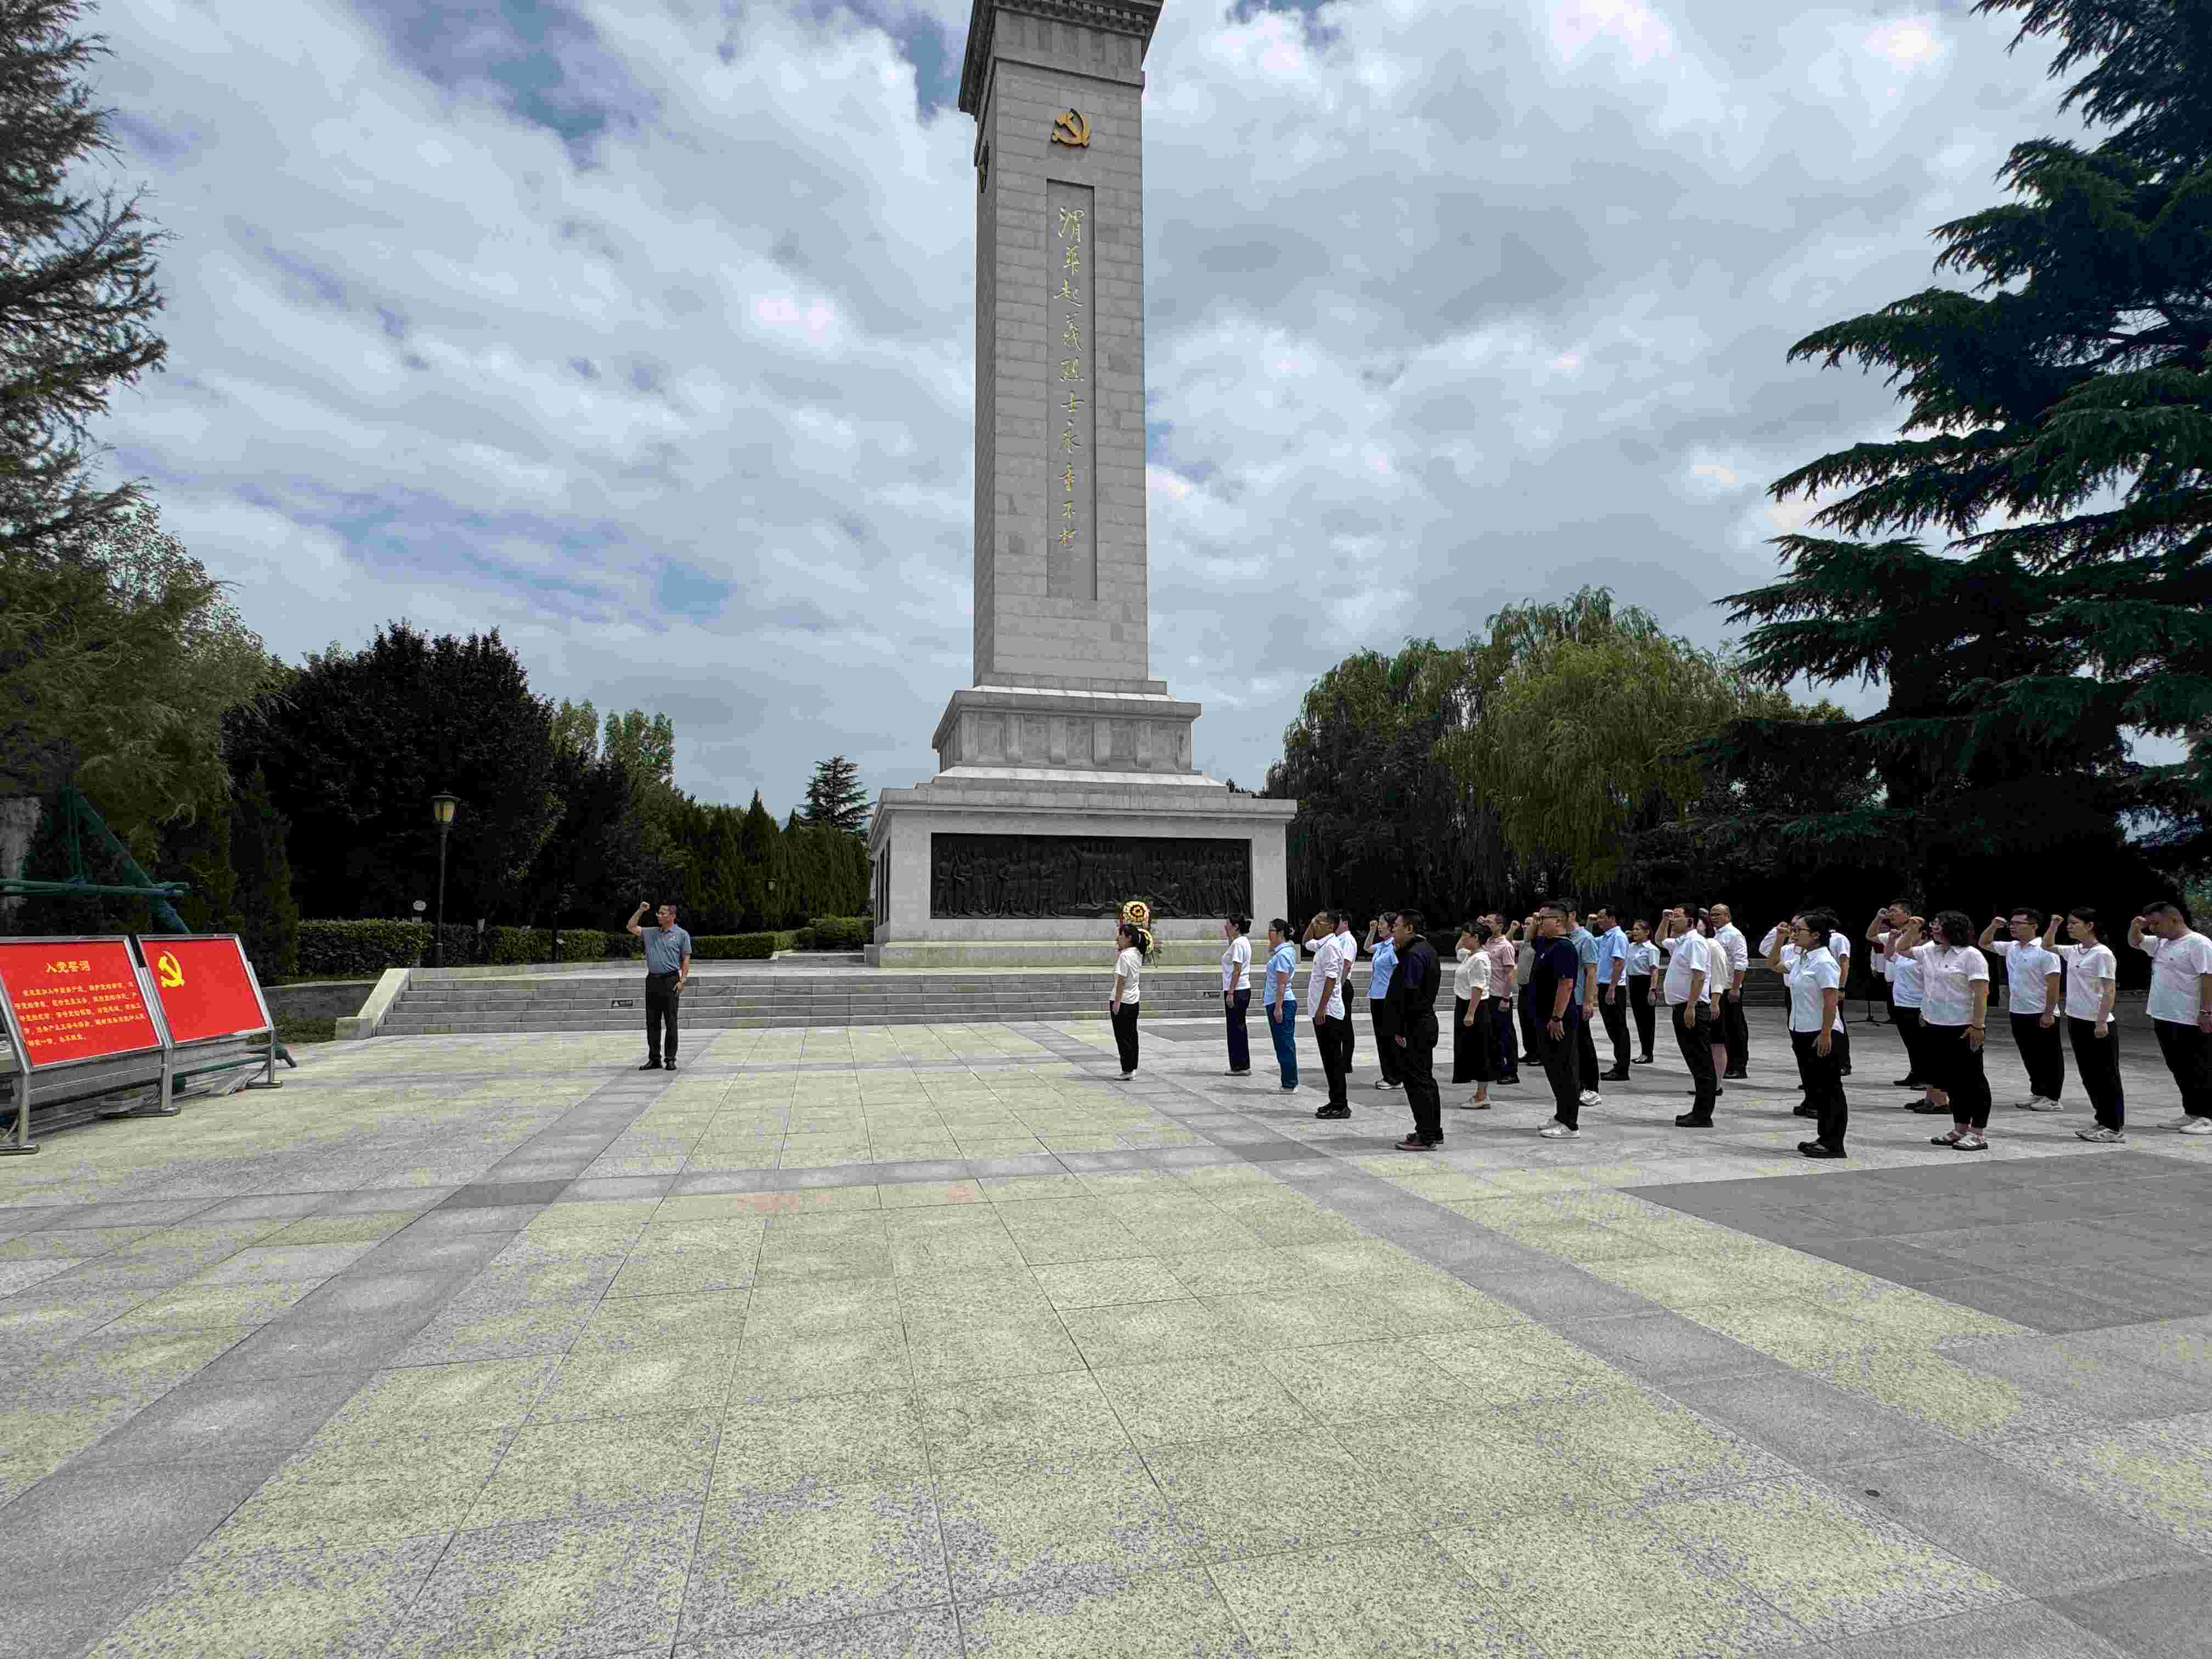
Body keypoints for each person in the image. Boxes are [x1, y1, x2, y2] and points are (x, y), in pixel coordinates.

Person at [1896, 912, 1994, 1150]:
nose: (1934, 929)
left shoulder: (1971, 956)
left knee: (1973, 1080)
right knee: (1951, 1081)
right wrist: (1912, 928)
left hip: (1963, 1027)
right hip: (1935, 1024)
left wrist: (1978, 1025)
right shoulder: (1930, 950)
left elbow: (1981, 993)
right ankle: (1960, 1128)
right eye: (1933, 925)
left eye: (1939, 925)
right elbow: (1902, 949)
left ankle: (1978, 1132)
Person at [2129, 901, 2212, 1133]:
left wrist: (2207, 1012)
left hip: (2190, 1017)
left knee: (2200, 1066)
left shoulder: (2199, 944)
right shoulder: (2161, 943)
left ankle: (2208, 1116)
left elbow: (2209, 978)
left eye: (2156, 923)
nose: (2153, 929)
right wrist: (2136, 926)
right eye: (2150, 924)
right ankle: (2192, 1112)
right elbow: (2135, 942)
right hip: (2164, 1015)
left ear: (2175, 919)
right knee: (2179, 1067)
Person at [1768, 913, 1846, 1157]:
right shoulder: (1802, 958)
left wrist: (1825, 1034)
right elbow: (1774, 965)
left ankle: (1834, 1143)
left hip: (1821, 1033)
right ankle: (1824, 1137)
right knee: (1817, 1090)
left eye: (1799, 930)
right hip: (1801, 1031)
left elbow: (1831, 1001)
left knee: (1830, 1089)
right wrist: (1779, 941)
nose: (1794, 932)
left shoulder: (1824, 962)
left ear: (1815, 935)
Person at [2042, 907, 2122, 1141]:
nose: (2070, 926)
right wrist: (2054, 925)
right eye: (2069, 923)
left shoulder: (2102, 954)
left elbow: (2109, 990)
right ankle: (2102, 1121)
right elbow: (2047, 946)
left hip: (2098, 1023)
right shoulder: (2075, 950)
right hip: (2077, 1020)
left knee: (2107, 1077)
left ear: (2090, 926)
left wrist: (2101, 1022)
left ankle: (2114, 1127)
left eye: (2074, 923)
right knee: (2089, 1076)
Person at [1980, 910, 2065, 1110]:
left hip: (2041, 1011)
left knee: (2049, 1057)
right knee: (2030, 1055)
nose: (2013, 926)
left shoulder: (2045, 950)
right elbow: (1984, 943)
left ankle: (2053, 1098)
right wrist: (1993, 926)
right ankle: (2038, 1093)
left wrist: (2048, 1012)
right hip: (2018, 1010)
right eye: (2012, 923)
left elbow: (2054, 985)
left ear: (2034, 926)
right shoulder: (2012, 947)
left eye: (2019, 923)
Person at [1522, 905, 1586, 1138]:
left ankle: (1570, 1124)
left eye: (1544, 919)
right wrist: (1536, 922)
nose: (1539, 922)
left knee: (1565, 1069)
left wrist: (1557, 1017)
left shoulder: (1564, 947)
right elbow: (1529, 940)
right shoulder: (1545, 944)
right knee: (1553, 1069)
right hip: (1543, 1017)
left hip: (1559, 1020)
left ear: (1559, 922)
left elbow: (1566, 984)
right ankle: (1561, 1115)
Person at [1655, 905, 1719, 1125]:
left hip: (1692, 1008)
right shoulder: (1682, 942)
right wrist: (1664, 920)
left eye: (1677, 917)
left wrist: (1691, 1007)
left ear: (1691, 921)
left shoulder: (1695, 942)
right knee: (1694, 1061)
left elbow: (1699, 977)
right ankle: (1699, 1111)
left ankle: (1703, 1115)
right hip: (1681, 1008)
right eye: (1672, 917)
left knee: (1702, 1062)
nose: (1673, 920)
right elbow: (1660, 940)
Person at [1389, 911, 1444, 1150]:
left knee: (1417, 1082)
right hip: (1424, 1022)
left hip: (1415, 1026)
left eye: (1397, 927)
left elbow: (1409, 994)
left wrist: (1400, 1028)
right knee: (1426, 1079)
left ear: (1409, 928)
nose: (1393, 931)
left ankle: (1426, 1135)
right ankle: (1432, 1129)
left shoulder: (1413, 955)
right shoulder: (1425, 949)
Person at [625, 900, 691, 1071]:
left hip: (671, 980)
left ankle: (670, 1058)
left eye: (663, 913)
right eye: (658, 913)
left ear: (672, 916)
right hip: (652, 980)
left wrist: (683, 979)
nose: (659, 915)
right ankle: (654, 1058)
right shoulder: (650, 933)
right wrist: (640, 910)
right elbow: (631, 926)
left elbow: (686, 958)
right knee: (652, 1022)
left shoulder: (681, 935)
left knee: (671, 1021)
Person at [1307, 911, 1352, 1119]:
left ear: (1331, 926)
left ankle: (1341, 1105)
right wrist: (1311, 923)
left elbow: (1331, 980)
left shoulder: (1333, 947)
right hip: (1323, 1011)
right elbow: (1306, 941)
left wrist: (1321, 1008)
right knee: (1329, 1060)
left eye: (1319, 922)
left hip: (1329, 1013)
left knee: (1334, 1060)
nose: (1315, 925)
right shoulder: (1324, 944)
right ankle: (1335, 1100)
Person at [1562, 901, 1604, 1109]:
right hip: (1564, 1001)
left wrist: (1589, 1001)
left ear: (1572, 915)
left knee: (1583, 1044)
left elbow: (1591, 972)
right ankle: (1576, 1085)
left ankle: (1592, 1087)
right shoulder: (1561, 938)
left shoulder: (1585, 939)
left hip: (1578, 1000)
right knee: (1571, 1046)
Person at [1452, 919, 1493, 1108]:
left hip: (1475, 1006)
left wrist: (1470, 1014)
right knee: (1470, 1050)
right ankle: (1480, 1094)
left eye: (1466, 936)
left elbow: (1478, 987)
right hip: (1465, 1004)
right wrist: (1466, 933)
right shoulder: (1470, 955)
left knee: (1480, 1051)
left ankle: (1482, 1095)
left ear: (1476, 938)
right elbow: (1458, 948)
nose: (1462, 939)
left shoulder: (1479, 958)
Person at [1589, 904, 1633, 1082]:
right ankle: (1619, 1064)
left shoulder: (1618, 937)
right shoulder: (1606, 937)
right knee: (1612, 1029)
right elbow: (1588, 940)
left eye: (1601, 918)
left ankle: (1623, 1068)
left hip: (1614, 987)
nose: (1598, 921)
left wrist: (1613, 988)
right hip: (1605, 985)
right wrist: (1589, 923)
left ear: (1612, 918)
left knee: (1619, 1028)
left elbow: (1619, 963)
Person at [1709, 902, 1751, 1079]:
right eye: (1712, 914)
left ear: (1728, 916)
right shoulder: (1717, 935)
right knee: (1722, 1029)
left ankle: (1738, 1066)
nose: (1714, 917)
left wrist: (1736, 988)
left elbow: (1741, 963)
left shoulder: (1734, 935)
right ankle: (1727, 1065)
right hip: (1719, 987)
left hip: (1729, 988)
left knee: (1735, 1028)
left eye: (1718, 914)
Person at [1108, 916, 1152, 1078]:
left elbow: (1120, 982)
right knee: (1132, 1035)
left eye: (1120, 935)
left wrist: (1117, 1003)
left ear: (1128, 938)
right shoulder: (1137, 953)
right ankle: (1131, 1067)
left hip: (1123, 1001)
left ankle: (1127, 1069)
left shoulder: (1125, 957)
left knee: (1123, 1037)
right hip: (1134, 1001)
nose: (1117, 938)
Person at [1262, 918, 1300, 1091]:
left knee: (1285, 1043)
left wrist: (1278, 1007)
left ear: (1281, 933)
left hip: (1282, 1003)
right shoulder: (1282, 951)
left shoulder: (1284, 954)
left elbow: (1282, 983)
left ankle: (1290, 1083)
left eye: (1272, 930)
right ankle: (1288, 1081)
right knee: (1281, 1043)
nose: (1269, 933)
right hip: (1277, 1001)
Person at [1366, 913, 1402, 1092]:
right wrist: (1372, 931)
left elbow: (1398, 972)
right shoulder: (1382, 946)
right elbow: (1366, 948)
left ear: (1391, 927)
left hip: (1387, 998)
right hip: (1377, 996)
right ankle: (1389, 1074)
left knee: (1388, 1039)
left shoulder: (1394, 947)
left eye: (1382, 924)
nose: (1379, 926)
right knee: (1382, 1039)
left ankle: (1394, 1077)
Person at [1487, 915, 1522, 1084]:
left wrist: (1506, 998)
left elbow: (1509, 974)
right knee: (1493, 1035)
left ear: (1500, 926)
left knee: (1506, 1034)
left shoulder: (1506, 946)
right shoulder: (1487, 942)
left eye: (1490, 922)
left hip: (1501, 996)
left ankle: (1511, 1071)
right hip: (1489, 995)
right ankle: (1497, 1067)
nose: (1487, 925)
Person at [1221, 916, 1253, 1078]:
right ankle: (1240, 1064)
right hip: (1240, 989)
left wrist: (1231, 992)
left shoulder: (1239, 943)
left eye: (1228, 924)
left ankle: (1240, 1066)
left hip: (1237, 990)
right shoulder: (1240, 942)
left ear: (1235, 926)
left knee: (1236, 1029)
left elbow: (1237, 970)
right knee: (1238, 1027)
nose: (1225, 926)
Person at [1624, 919, 1658, 1064]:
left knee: (1648, 1021)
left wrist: (1653, 990)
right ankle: (1643, 1051)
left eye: (1639, 929)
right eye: (1634, 929)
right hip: (1633, 983)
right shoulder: (1631, 947)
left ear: (1647, 932)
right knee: (1639, 1020)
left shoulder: (1651, 949)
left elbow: (1654, 971)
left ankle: (1648, 1053)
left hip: (1645, 983)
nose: (1635, 932)